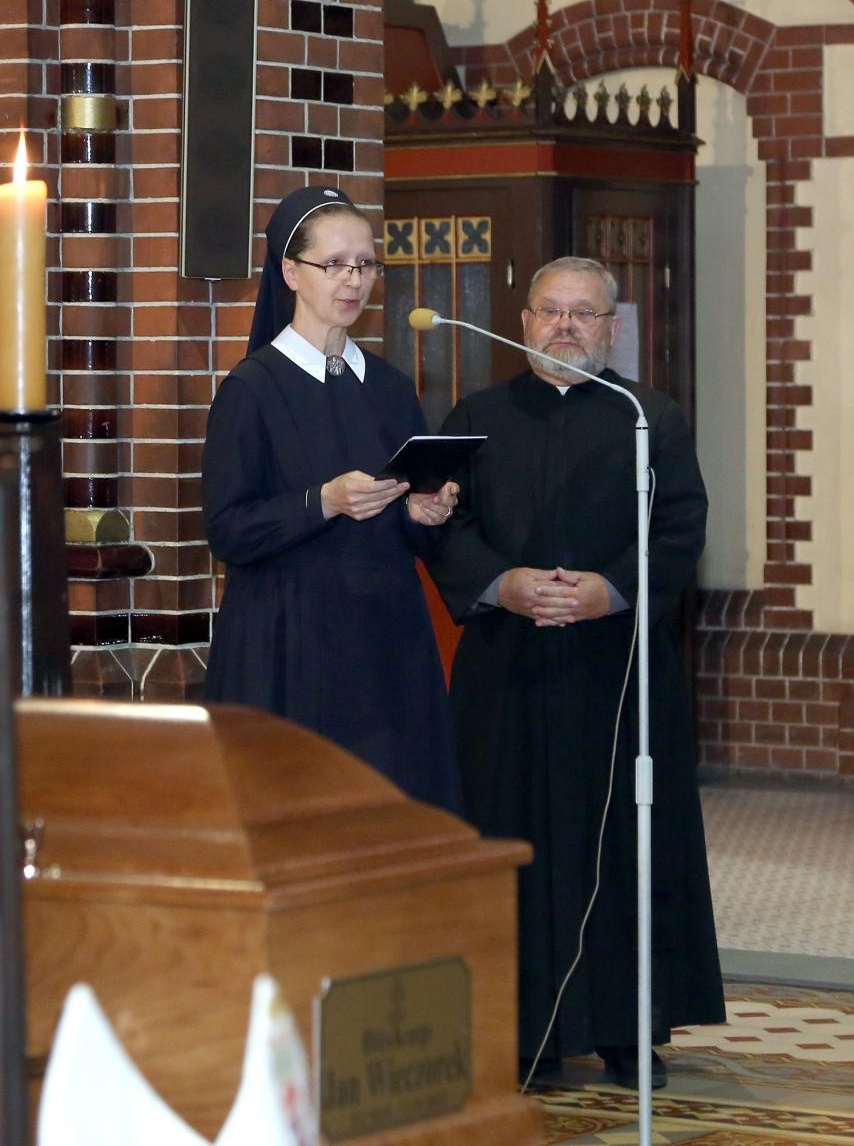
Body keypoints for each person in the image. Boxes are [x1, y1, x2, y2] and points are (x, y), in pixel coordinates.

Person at [427, 257, 725, 1087]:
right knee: (512, 834)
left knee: (629, 837)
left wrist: (611, 590)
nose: (565, 327)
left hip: (616, 665)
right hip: (507, 668)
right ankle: (522, 1030)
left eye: (583, 315)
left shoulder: (649, 418)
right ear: (521, 323)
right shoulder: (476, 415)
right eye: (550, 313)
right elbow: (448, 527)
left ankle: (632, 1027)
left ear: (612, 328)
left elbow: (680, 527)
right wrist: (502, 585)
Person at [201, 185, 463, 813]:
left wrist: (423, 513)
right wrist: (323, 500)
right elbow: (228, 529)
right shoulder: (251, 389)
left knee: (390, 821)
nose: (354, 280)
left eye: (366, 264)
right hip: (290, 642)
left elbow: (413, 517)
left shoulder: (393, 389)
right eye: (336, 264)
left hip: (386, 640)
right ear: (290, 272)